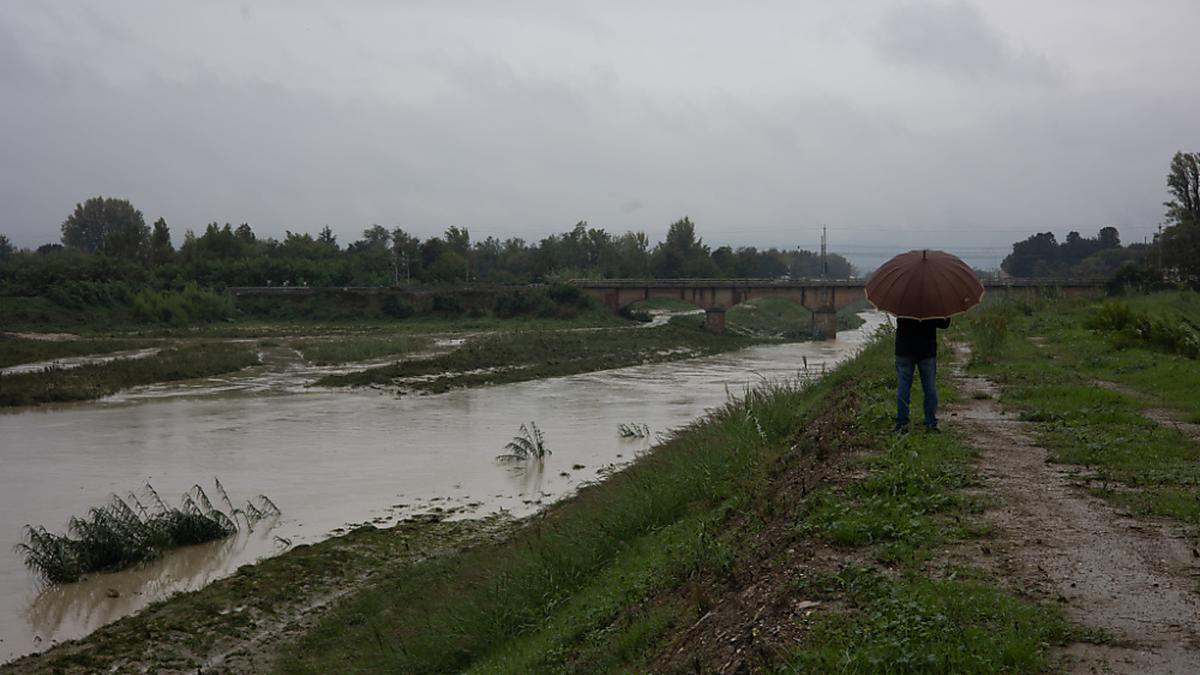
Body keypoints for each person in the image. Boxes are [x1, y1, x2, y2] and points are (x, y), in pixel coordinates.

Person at [894, 316, 950, 432]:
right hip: (927, 350)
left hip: (904, 349)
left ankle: (901, 423)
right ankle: (930, 423)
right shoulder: (932, 303)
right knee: (929, 387)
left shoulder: (902, 300)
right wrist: (947, 315)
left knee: (903, 387)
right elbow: (943, 324)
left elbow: (899, 319)